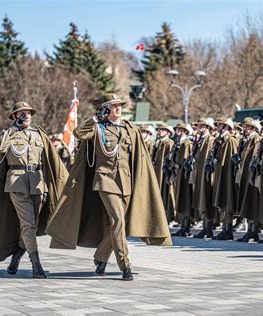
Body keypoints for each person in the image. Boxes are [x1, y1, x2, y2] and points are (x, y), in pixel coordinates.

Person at [46, 93, 172, 281]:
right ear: (105, 109)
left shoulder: (129, 130)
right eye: (113, 106)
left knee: (116, 224)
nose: (118, 108)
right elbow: (78, 133)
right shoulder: (98, 128)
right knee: (118, 221)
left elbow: (138, 157)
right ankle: (125, 264)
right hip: (105, 181)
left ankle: (101, 256)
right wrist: (96, 117)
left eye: (119, 105)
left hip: (126, 182)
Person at [0, 101, 68, 278]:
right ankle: (36, 264)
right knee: (28, 224)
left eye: (28, 113)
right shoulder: (8, 134)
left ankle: (17, 256)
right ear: (15, 117)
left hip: (37, 183)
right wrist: (13, 129)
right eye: (22, 113)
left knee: (31, 226)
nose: (27, 116)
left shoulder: (39, 135)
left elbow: (52, 160)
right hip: (17, 183)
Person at [211, 117, 238, 240]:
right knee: (221, 200)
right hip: (220, 173)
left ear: (227, 127)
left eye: (222, 125)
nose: (219, 127)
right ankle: (224, 227)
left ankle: (228, 228)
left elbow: (232, 160)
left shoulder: (230, 140)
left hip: (227, 175)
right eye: (218, 125)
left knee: (227, 201)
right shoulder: (219, 140)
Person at [236, 117, 262, 242]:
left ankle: (254, 230)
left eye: (247, 127)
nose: (244, 128)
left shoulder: (255, 139)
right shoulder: (246, 139)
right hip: (245, 174)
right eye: (244, 126)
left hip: (252, 174)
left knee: (252, 202)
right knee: (247, 202)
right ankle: (250, 230)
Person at [189, 118, 216, 239]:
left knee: (206, 199)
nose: (199, 128)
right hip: (200, 172)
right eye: (198, 126)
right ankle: (205, 226)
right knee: (201, 199)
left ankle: (208, 227)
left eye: (201, 126)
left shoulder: (209, 140)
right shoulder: (201, 140)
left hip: (206, 174)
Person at [171, 123, 194, 237]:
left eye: (181, 130)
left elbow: (185, 160)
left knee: (185, 199)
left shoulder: (186, 143)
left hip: (185, 174)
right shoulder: (178, 143)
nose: (178, 131)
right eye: (177, 129)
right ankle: (182, 225)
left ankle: (186, 226)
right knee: (180, 199)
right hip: (179, 173)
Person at [153, 123, 176, 221]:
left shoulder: (169, 143)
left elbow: (170, 158)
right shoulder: (159, 143)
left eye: (163, 130)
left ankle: (167, 216)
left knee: (166, 193)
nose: (160, 131)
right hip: (158, 172)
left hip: (164, 173)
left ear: (168, 132)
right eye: (159, 130)